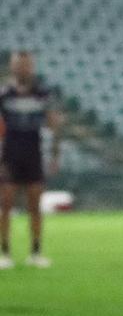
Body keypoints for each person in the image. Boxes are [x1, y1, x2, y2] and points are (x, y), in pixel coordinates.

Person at [0, 51, 61, 269]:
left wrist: (55, 154)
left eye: (26, 65)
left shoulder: (43, 94)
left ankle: (36, 252)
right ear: (12, 66)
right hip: (10, 154)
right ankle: (4, 253)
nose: (22, 68)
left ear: (32, 67)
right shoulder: (4, 94)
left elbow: (54, 127)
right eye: (19, 64)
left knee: (35, 205)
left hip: (34, 153)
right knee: (5, 204)